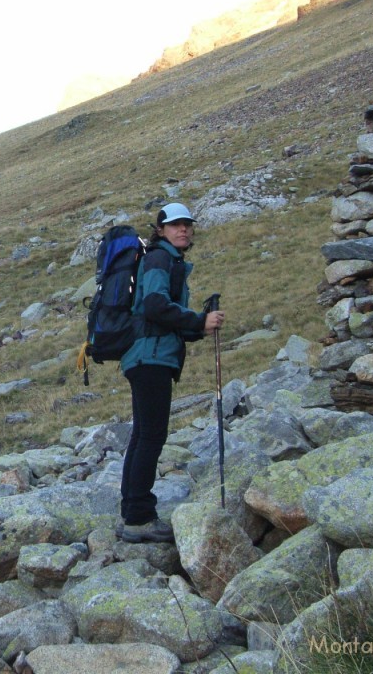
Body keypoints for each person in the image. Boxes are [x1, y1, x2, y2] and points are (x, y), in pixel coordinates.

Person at [118, 202, 225, 544]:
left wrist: (198, 326)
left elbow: (162, 316)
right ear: (161, 229)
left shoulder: (166, 260)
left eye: (187, 225)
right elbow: (154, 307)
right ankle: (139, 518)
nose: (183, 230)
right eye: (176, 225)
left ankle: (132, 513)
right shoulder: (160, 259)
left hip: (145, 357)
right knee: (151, 436)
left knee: (142, 436)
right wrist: (197, 321)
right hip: (151, 359)